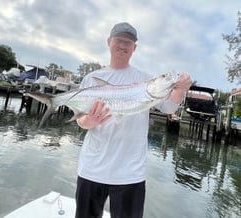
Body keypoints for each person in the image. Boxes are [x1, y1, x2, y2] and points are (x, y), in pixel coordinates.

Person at [75, 22, 192, 218]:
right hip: (91, 169)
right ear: (109, 42)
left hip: (130, 174)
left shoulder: (146, 80)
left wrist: (180, 89)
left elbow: (169, 108)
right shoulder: (91, 79)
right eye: (119, 40)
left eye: (128, 42)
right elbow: (80, 120)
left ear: (134, 48)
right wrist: (90, 121)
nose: (123, 45)